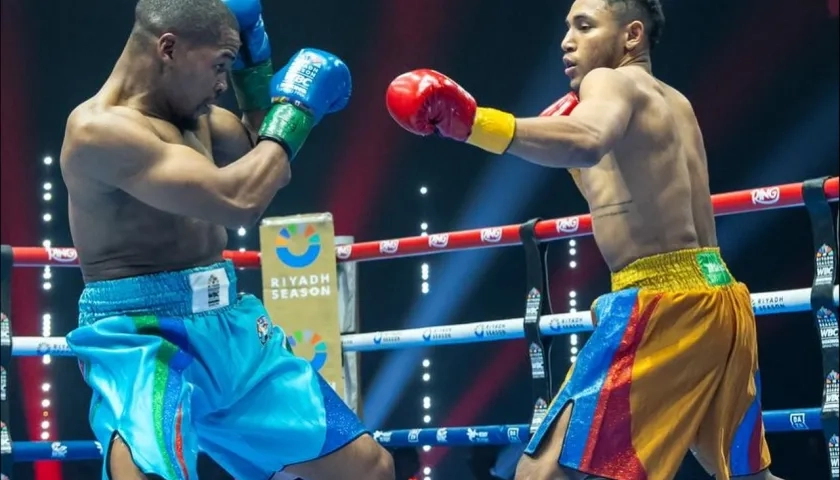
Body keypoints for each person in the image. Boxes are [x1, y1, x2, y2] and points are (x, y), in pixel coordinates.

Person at [384, 0, 785, 479]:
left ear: (631, 36)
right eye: (567, 27)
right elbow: (621, 184)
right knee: (747, 477)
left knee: (542, 473)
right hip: (721, 299)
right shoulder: (674, 101)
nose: (566, 40)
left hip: (660, 303)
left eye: (584, 25)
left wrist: (475, 123)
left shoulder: (608, 82)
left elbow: (589, 138)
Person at [59, 0, 395, 479]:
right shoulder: (99, 131)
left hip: (228, 324)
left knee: (369, 469)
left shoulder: (199, 120)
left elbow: (265, 163)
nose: (222, 83)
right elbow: (239, 200)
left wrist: (255, 76)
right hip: (140, 334)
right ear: (168, 48)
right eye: (220, 65)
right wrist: (297, 108)